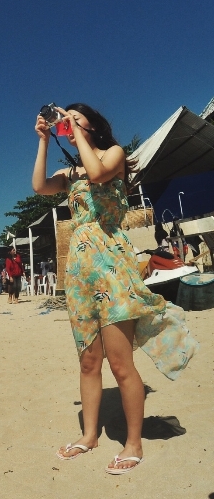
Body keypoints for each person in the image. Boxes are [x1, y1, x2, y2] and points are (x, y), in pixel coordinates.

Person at [33, 103, 198, 474]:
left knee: (121, 362)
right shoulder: (69, 171)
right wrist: (44, 140)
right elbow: (39, 186)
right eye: (66, 120)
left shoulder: (113, 154)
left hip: (111, 264)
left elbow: (97, 171)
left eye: (76, 118)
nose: (69, 124)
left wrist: (74, 131)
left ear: (93, 125)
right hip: (80, 271)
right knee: (88, 360)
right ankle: (89, 436)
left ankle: (133, 442)